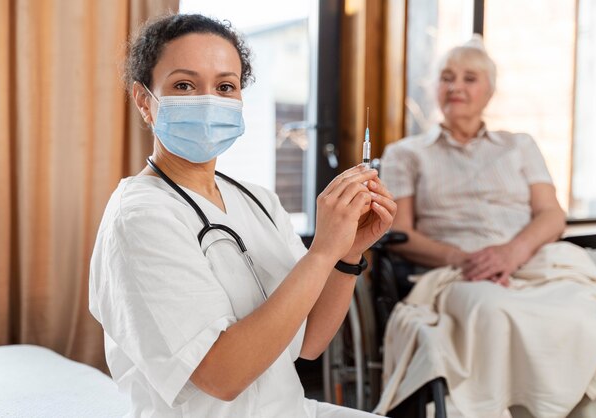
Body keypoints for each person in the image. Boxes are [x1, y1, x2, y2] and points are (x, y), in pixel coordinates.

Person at [88, 13, 397, 418]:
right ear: (145, 101)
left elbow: (309, 341)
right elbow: (222, 376)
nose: (209, 100)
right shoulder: (139, 219)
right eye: (184, 85)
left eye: (225, 86)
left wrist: (347, 253)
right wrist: (321, 252)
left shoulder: (258, 202)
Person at [375, 36, 596, 418]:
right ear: (435, 89)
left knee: (582, 314)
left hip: (530, 261)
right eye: (447, 78)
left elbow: (551, 215)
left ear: (489, 92)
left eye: (470, 78)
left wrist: (510, 254)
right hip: (458, 272)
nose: (456, 87)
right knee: (491, 310)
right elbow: (400, 233)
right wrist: (467, 260)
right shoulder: (407, 153)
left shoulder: (519, 146)